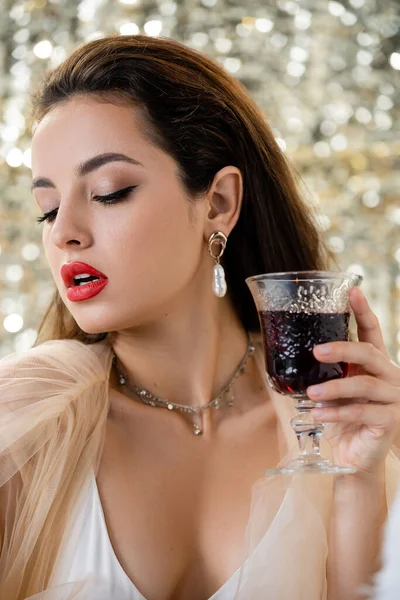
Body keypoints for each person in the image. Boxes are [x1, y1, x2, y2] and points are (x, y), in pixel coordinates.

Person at [0, 33, 399, 600]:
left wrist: (361, 481)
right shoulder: (26, 426)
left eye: (110, 192)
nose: (65, 231)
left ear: (218, 203)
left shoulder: (334, 421)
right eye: (47, 209)